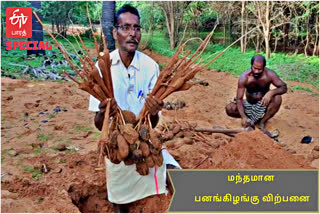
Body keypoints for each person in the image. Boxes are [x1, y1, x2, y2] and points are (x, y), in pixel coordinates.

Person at [88, 4, 180, 213]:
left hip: (144, 137)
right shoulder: (101, 68)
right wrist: (104, 112)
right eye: (126, 28)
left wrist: (154, 111)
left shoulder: (150, 67)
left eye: (137, 28)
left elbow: (153, 123)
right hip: (116, 140)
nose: (133, 34)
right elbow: (98, 125)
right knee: (120, 192)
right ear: (115, 32)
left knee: (174, 174)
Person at [225, 55, 287, 131]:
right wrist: (243, 116)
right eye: (254, 68)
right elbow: (239, 99)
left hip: (263, 105)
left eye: (259, 69)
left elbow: (284, 87)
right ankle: (248, 119)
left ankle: (262, 122)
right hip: (249, 105)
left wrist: (271, 93)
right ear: (251, 65)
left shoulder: (270, 75)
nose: (256, 71)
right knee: (229, 108)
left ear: (264, 67)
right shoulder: (244, 77)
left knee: (277, 98)